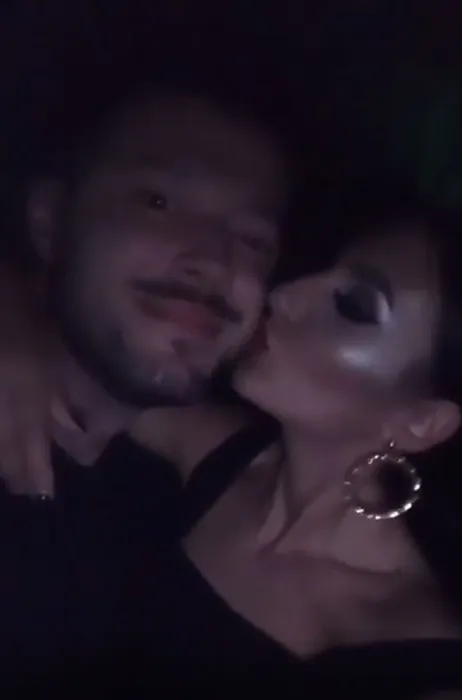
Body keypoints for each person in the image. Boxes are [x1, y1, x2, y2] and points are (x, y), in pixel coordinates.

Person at [1, 188, 462, 697]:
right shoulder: (221, 454)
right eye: (319, 272)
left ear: (422, 423)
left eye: (353, 306)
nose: (284, 295)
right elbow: (66, 348)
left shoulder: (417, 661)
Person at [0, 60, 291, 678]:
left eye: (253, 239)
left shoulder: (209, 518)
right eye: (159, 202)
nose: (213, 260)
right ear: (49, 222)